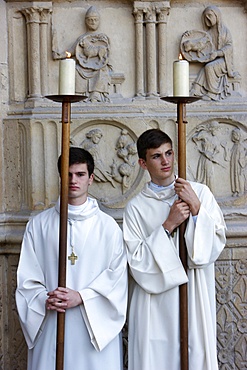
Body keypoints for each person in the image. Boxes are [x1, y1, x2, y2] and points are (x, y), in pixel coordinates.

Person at [16, 147, 128, 370]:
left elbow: (117, 280)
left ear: (91, 178)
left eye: (80, 174)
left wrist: (82, 297)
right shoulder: (39, 225)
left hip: (94, 328)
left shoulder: (108, 228)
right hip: (51, 322)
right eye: (67, 175)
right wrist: (43, 299)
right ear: (60, 178)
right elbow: (27, 279)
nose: (73, 180)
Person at [123, 129, 226, 370]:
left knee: (195, 352)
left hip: (193, 294)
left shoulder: (199, 193)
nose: (166, 161)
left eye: (169, 153)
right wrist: (168, 226)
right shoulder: (136, 208)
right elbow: (136, 262)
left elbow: (212, 246)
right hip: (154, 305)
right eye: (156, 156)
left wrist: (197, 209)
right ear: (143, 163)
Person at [53, 6, 112, 103]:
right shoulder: (82, 38)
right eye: (90, 20)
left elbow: (106, 54)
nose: (93, 22)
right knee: (75, 69)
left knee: (103, 71)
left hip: (98, 67)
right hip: (82, 67)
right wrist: (60, 55)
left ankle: (95, 95)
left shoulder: (103, 38)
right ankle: (80, 96)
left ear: (99, 21)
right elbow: (71, 51)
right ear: (86, 21)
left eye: (95, 20)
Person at [190, 5, 239, 101]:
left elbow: (229, 47)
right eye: (206, 17)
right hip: (214, 60)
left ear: (217, 16)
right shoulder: (208, 33)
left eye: (210, 15)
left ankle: (212, 93)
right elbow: (202, 43)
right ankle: (196, 89)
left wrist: (217, 53)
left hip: (225, 61)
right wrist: (190, 38)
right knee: (205, 68)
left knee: (209, 67)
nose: (207, 18)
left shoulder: (224, 31)